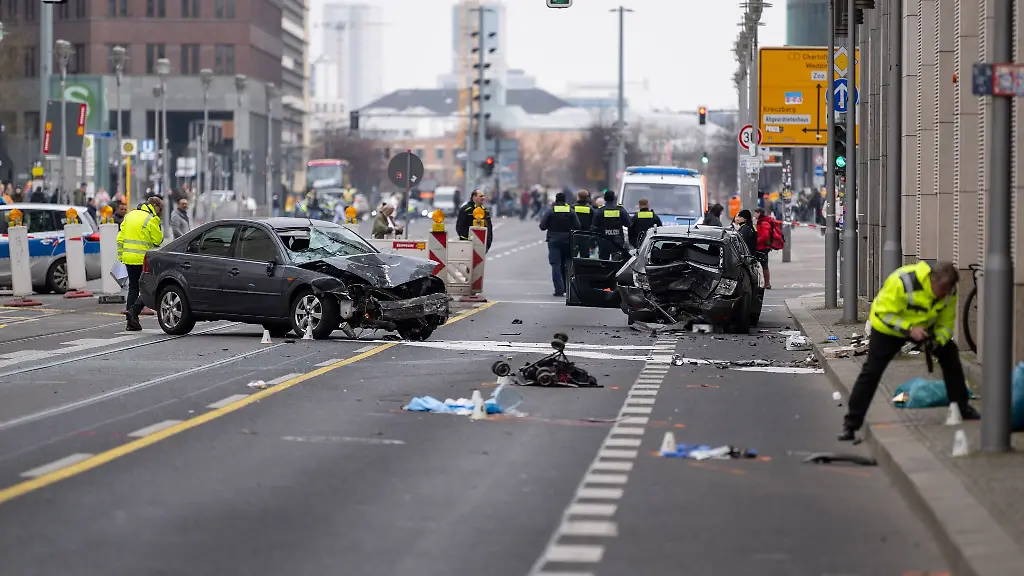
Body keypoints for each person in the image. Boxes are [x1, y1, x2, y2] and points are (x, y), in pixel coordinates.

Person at [840, 261, 980, 440]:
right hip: (889, 329)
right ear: (932, 281)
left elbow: (946, 323)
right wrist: (909, 329)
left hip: (923, 328)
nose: (945, 294)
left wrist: (936, 341)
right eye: (942, 289)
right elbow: (882, 314)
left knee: (950, 356)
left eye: (948, 290)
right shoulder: (903, 281)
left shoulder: (949, 291)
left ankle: (962, 407)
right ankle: (851, 424)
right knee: (871, 372)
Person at [117, 196, 164, 331]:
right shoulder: (151, 219)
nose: (160, 212)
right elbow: (157, 240)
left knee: (133, 288)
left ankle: (130, 322)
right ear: (154, 206)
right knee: (149, 288)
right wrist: (158, 225)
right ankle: (134, 312)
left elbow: (120, 238)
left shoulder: (129, 216)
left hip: (128, 258)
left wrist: (121, 256)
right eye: (160, 209)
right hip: (143, 260)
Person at [539, 191, 581, 296]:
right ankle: (567, 288)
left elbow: (542, 226)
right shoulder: (570, 211)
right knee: (567, 264)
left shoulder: (550, 211)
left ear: (556, 200)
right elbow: (578, 226)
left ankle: (559, 289)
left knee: (556, 265)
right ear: (565, 200)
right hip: (568, 240)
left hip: (554, 241)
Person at [590, 190, 631, 259]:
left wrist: (592, 244)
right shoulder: (621, 210)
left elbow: (594, 228)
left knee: (603, 262)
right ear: (614, 198)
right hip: (618, 242)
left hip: (604, 241)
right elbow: (628, 224)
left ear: (605, 199)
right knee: (617, 262)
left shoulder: (600, 211)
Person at [754, 208, 774, 289]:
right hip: (761, 247)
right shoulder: (760, 222)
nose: (754, 215)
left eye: (755, 213)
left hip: (763, 247)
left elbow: (765, 236)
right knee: (763, 265)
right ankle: (766, 283)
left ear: (759, 213)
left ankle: (767, 283)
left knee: (764, 265)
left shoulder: (764, 223)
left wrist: (756, 241)